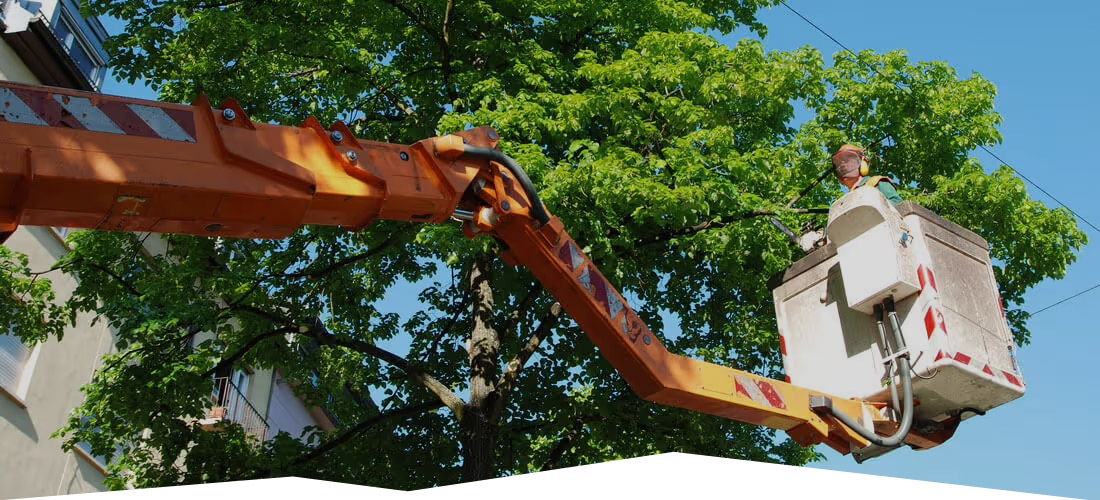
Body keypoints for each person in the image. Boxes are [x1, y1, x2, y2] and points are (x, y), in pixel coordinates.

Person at [831, 144, 903, 205]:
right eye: (839, 163)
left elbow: (898, 205)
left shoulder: (877, 183)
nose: (843, 165)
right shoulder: (845, 202)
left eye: (848, 160)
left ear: (863, 162)